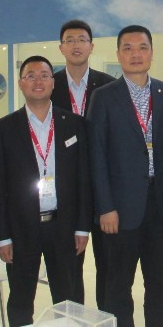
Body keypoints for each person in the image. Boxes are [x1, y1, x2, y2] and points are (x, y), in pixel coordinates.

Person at [87, 24, 163, 327]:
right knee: (118, 287)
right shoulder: (103, 97)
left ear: (152, 53)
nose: (135, 54)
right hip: (120, 209)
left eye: (142, 47)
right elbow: (96, 155)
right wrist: (105, 206)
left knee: (159, 285)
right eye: (127, 48)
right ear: (118, 54)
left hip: (161, 204)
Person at [0, 56, 92, 326]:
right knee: (20, 300)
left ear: (53, 82)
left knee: (69, 297)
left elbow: (83, 179)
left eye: (45, 75)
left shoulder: (74, 124)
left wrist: (82, 227)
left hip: (64, 225)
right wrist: (2, 236)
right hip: (21, 228)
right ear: (20, 83)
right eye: (31, 75)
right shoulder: (3, 128)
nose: (38, 81)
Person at [51, 19, 116, 307]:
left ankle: (107, 318)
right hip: (66, 190)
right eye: (70, 40)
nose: (76, 45)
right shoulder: (48, 85)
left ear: (92, 46)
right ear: (61, 47)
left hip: (104, 190)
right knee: (68, 271)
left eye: (82, 39)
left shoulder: (110, 85)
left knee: (109, 267)